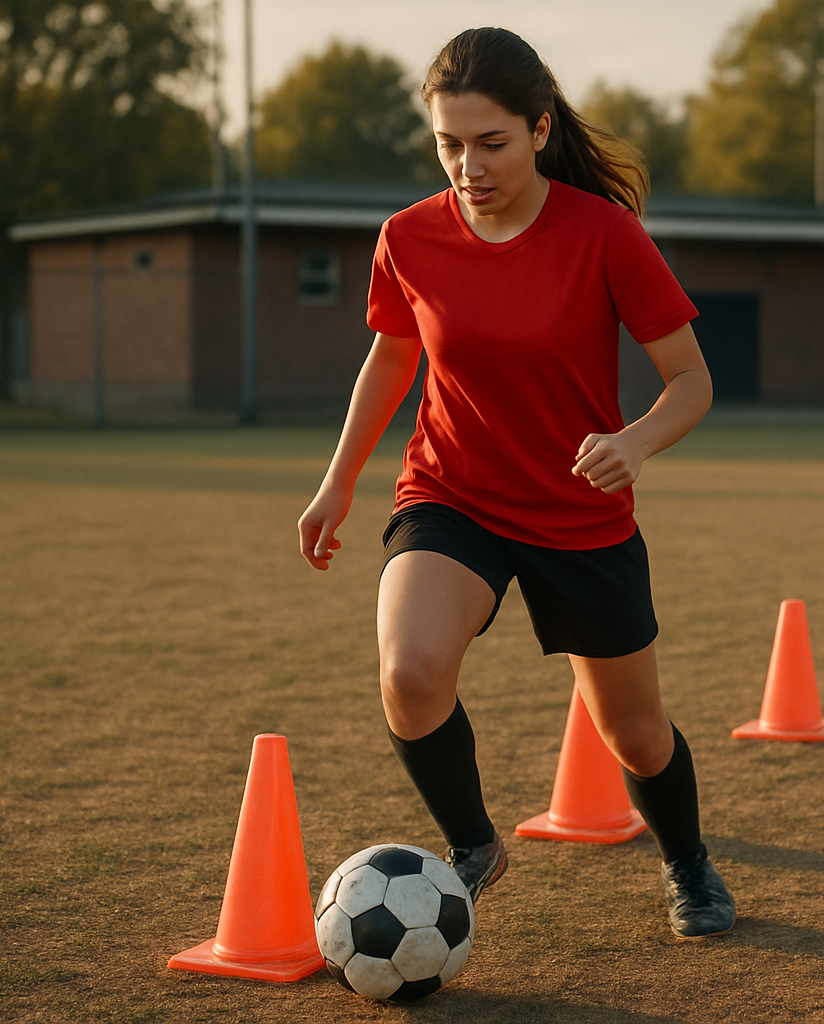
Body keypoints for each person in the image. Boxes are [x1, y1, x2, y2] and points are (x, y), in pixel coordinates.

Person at [296, 27, 735, 940]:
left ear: (539, 130)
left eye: (489, 143)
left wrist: (636, 442)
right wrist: (338, 481)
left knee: (637, 736)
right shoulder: (408, 237)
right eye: (448, 143)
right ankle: (473, 845)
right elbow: (390, 358)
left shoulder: (604, 234)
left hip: (580, 512)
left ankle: (688, 861)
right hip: (452, 494)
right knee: (410, 673)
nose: (468, 165)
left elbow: (690, 380)